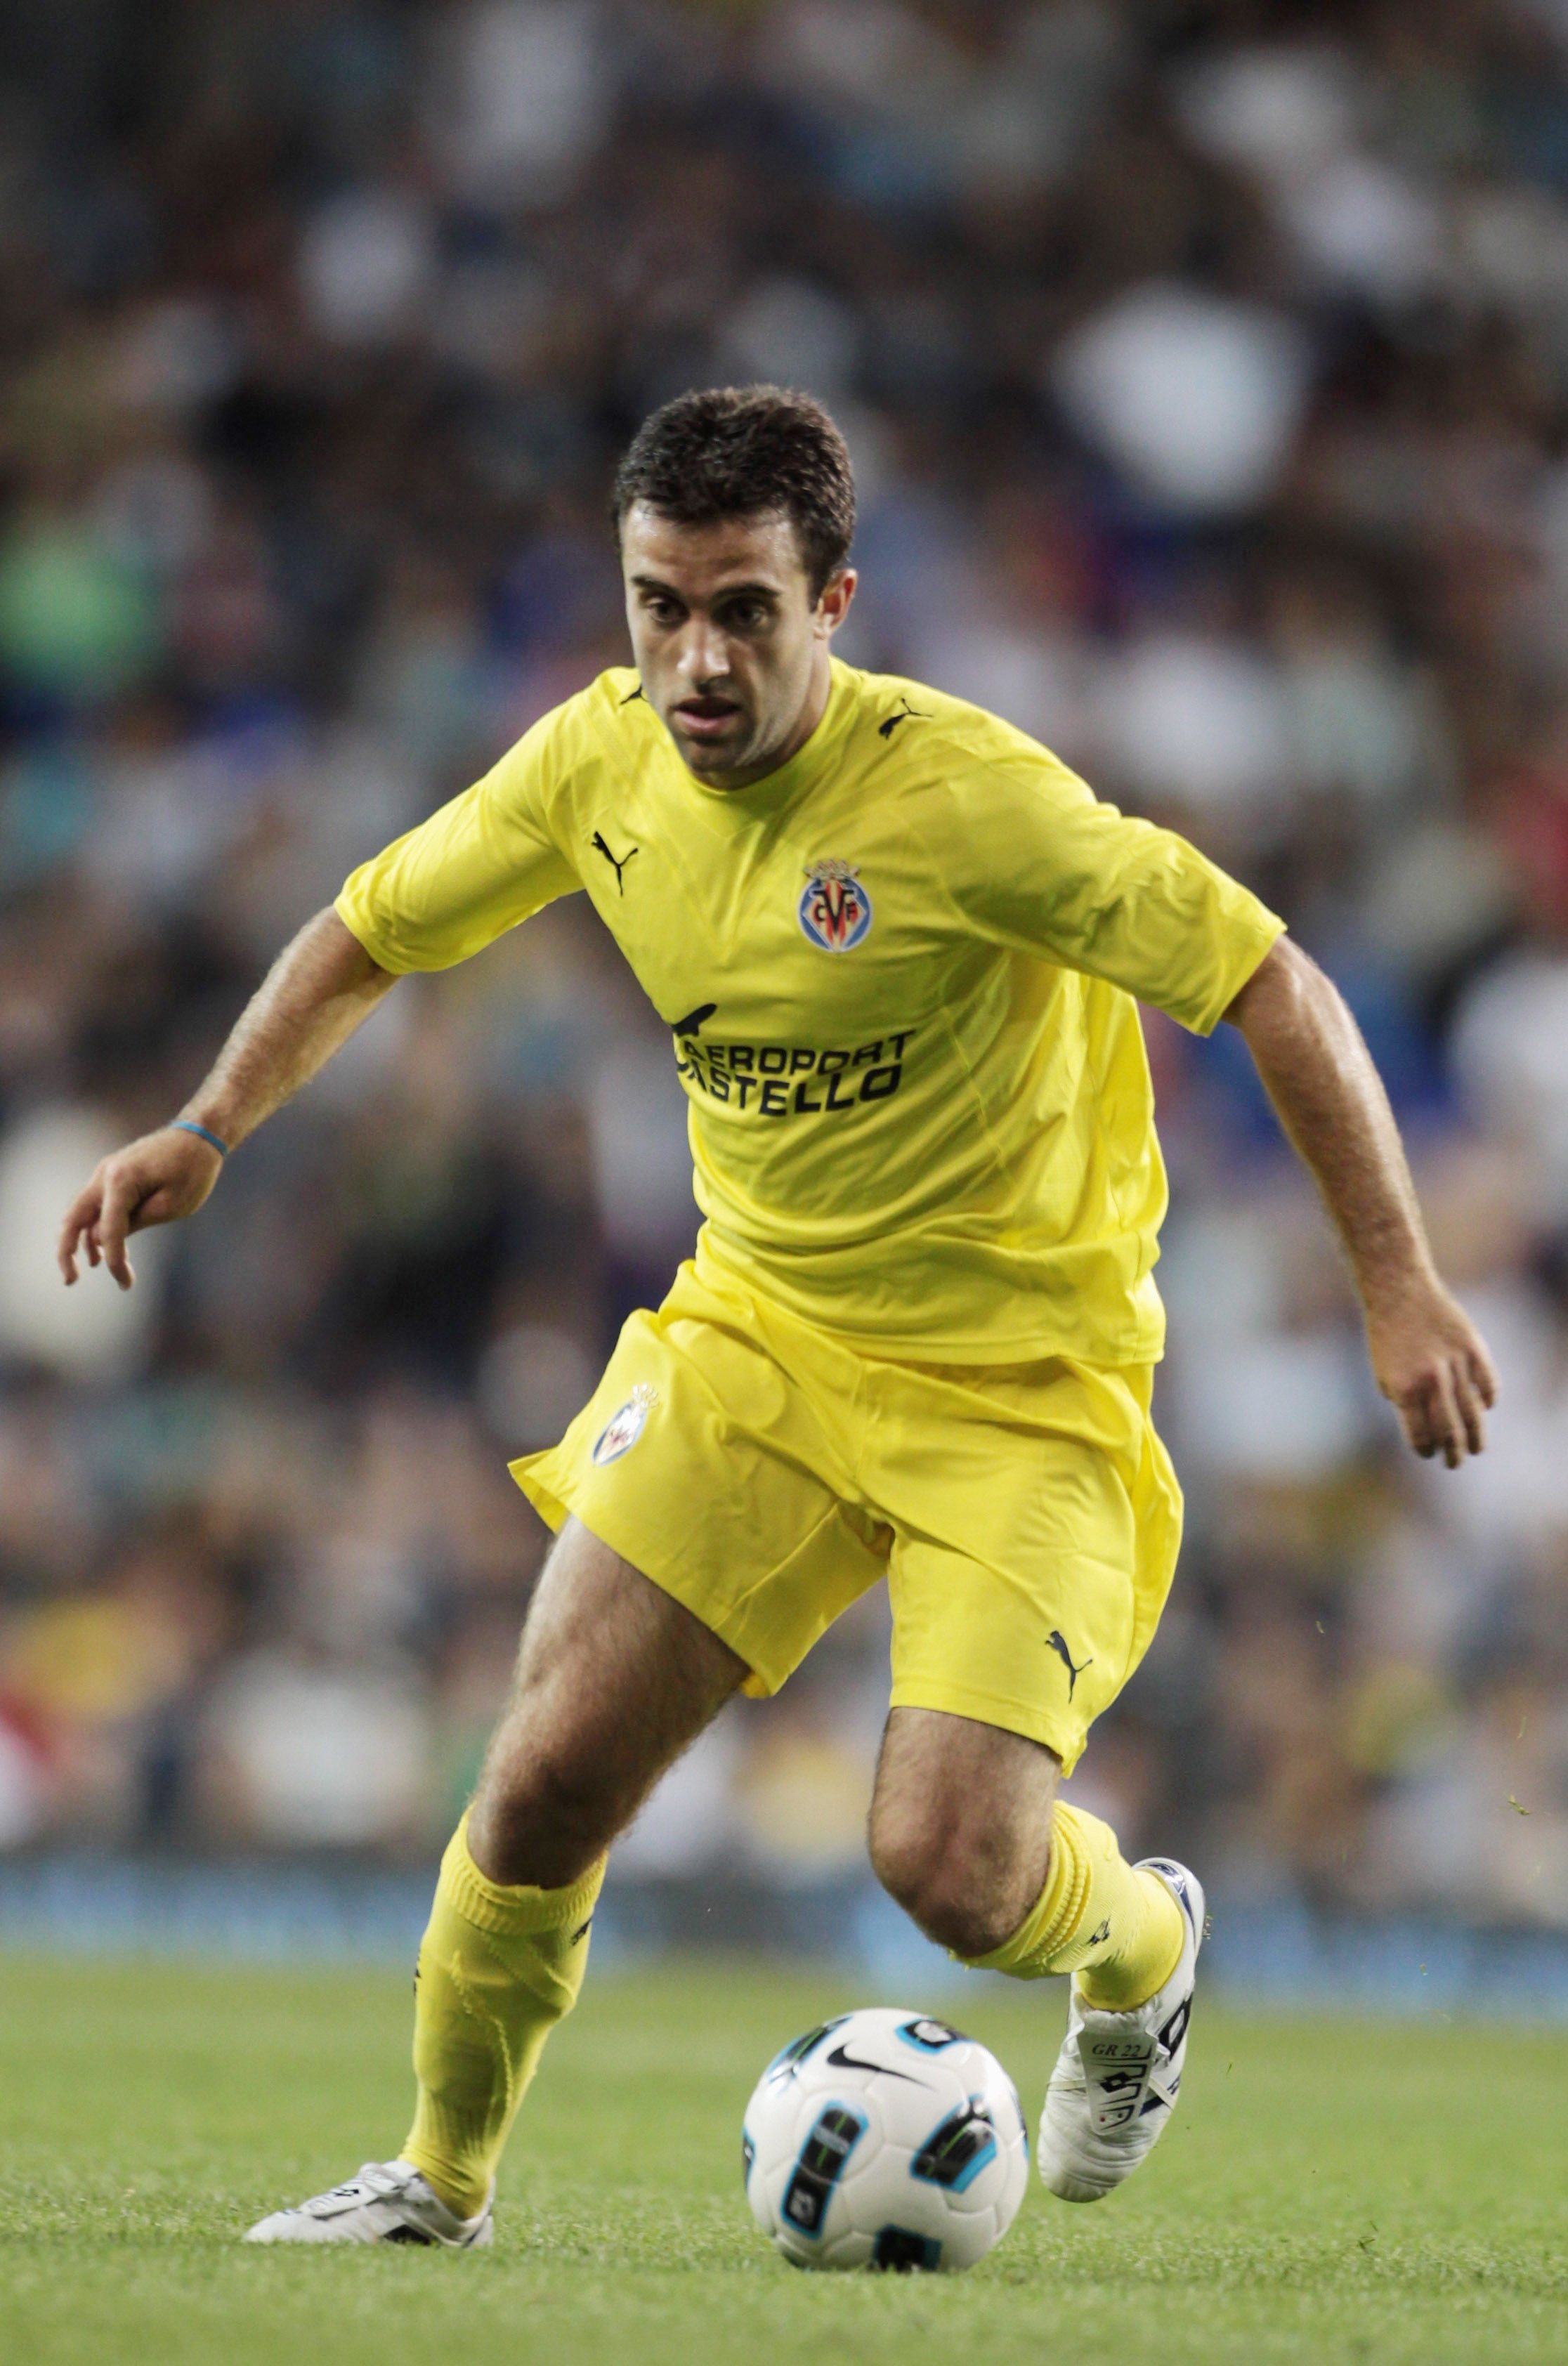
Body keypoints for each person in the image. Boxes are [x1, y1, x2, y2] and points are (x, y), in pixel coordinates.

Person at [60, 386, 1497, 2249]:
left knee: (953, 1871)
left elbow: (1273, 985)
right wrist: (205, 1122)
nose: (696, 659)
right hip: (760, 1346)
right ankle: (441, 2178)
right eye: (660, 604)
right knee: (546, 1775)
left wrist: (1397, 1280)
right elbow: (374, 925)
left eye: (744, 607)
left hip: (1021, 1389)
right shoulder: (594, 766)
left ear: (837, 601)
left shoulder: (976, 804)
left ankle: (1141, 1945)